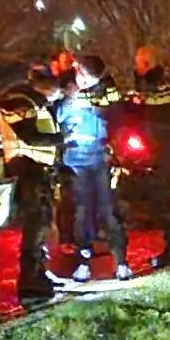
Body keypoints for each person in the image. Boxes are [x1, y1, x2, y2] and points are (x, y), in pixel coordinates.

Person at [56, 54, 131, 283]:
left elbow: (116, 112)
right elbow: (60, 117)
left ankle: (121, 262)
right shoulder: (68, 92)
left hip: (100, 158)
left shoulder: (105, 91)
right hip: (76, 160)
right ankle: (83, 261)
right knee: (82, 214)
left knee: (109, 212)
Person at [0, 65, 63, 302]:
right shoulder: (20, 101)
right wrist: (63, 139)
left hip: (35, 169)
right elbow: (31, 136)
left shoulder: (29, 101)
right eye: (53, 95)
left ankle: (39, 272)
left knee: (41, 224)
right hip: (27, 170)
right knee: (35, 226)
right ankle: (31, 280)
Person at [132, 45, 170, 268]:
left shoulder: (158, 87)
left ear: (147, 64)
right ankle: (169, 248)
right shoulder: (161, 85)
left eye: (138, 63)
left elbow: (161, 120)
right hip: (161, 153)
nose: (135, 67)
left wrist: (139, 106)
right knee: (161, 203)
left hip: (160, 154)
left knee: (164, 203)